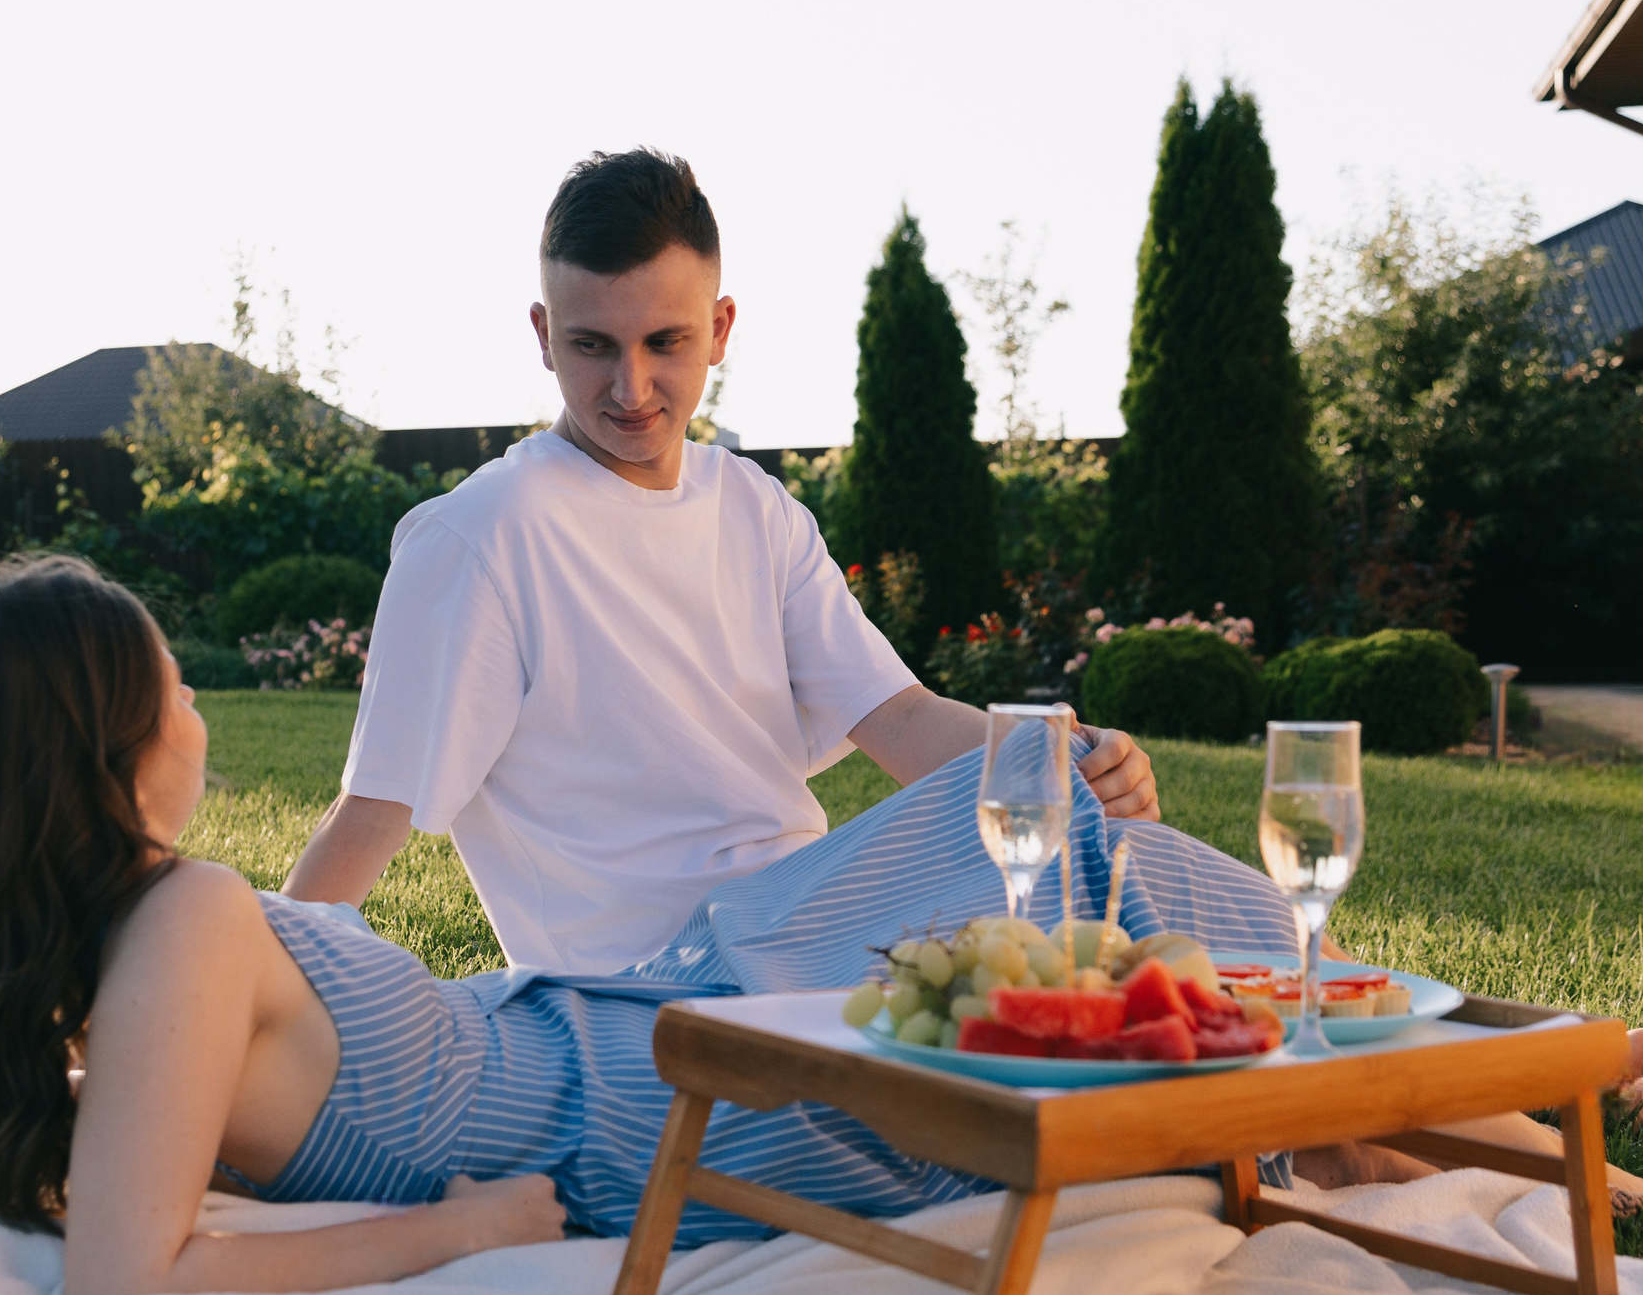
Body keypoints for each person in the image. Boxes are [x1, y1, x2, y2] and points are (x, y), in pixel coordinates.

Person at [0, 557, 1643, 1295]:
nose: (195, 708)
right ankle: (1544, 1108)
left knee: (1026, 819)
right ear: (107, 744)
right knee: (1104, 916)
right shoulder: (175, 921)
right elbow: (123, 1275)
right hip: (667, 1108)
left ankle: (1498, 1090)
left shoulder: (128, 948)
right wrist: (461, 1229)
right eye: (173, 682)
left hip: (644, 1009)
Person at [282, 148, 1157, 975]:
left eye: (665, 341)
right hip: (646, 985)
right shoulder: (479, 536)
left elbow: (899, 719)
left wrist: (1070, 765)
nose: (630, 387)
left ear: (721, 326)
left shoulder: (755, 508)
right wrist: (246, 1012)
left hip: (805, 927)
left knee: (1122, 876)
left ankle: (1244, 1122)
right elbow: (373, 812)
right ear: (544, 334)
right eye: (593, 345)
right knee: (1090, 914)